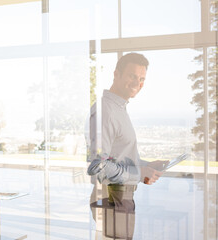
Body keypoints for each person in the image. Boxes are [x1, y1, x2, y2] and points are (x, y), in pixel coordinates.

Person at [87, 53, 168, 239]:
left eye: (141, 79)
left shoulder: (119, 108)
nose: (137, 83)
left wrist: (145, 165)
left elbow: (118, 156)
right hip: (111, 198)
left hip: (120, 197)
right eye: (132, 76)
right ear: (116, 74)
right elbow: (99, 166)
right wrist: (139, 173)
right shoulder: (105, 110)